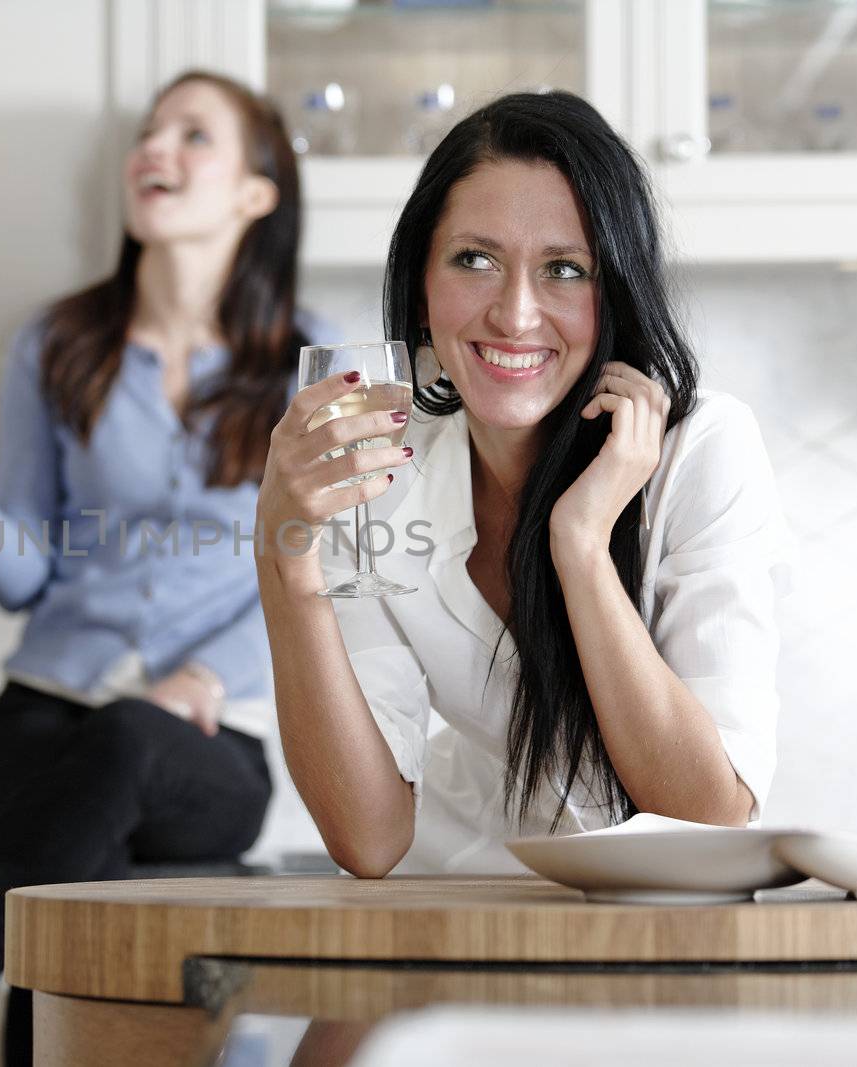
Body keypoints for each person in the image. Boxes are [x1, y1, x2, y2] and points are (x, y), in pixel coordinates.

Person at [0, 70, 332, 1067]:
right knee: (58, 950)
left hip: (207, 742)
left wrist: (208, 676)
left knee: (128, 744)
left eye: (194, 137)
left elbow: (324, 556)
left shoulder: (312, 357)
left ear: (254, 192)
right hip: (42, 716)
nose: (155, 151)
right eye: (148, 135)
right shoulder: (58, 345)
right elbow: (24, 577)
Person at [255, 90, 793, 882]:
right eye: (475, 259)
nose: (514, 313)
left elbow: (709, 816)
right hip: (462, 894)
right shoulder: (377, 473)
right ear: (421, 285)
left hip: (674, 932)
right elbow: (368, 840)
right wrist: (282, 553)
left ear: (614, 294)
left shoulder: (701, 448)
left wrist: (580, 546)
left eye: (565, 270)